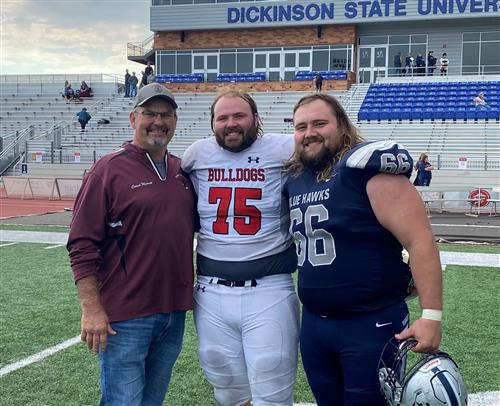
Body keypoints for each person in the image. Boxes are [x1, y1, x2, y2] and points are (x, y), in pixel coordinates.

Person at [284, 93, 443, 406]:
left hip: (371, 324)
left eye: (319, 123)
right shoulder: (296, 178)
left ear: (342, 126)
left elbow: (420, 241)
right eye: (301, 126)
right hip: (315, 324)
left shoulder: (367, 171)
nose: (309, 132)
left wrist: (432, 315)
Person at [67, 83, 197, 406]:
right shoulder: (107, 171)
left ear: (175, 122)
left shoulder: (184, 172)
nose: (158, 121)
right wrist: (91, 308)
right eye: (149, 113)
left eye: (166, 114)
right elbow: (81, 244)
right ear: (132, 118)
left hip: (173, 314)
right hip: (125, 317)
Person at [181, 91, 300, 406]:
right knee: (226, 385)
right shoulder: (196, 155)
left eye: (239, 116)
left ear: (256, 119)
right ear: (213, 123)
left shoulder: (284, 148)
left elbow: (333, 149)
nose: (231, 124)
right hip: (209, 291)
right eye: (223, 118)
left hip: (269, 289)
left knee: (271, 379)